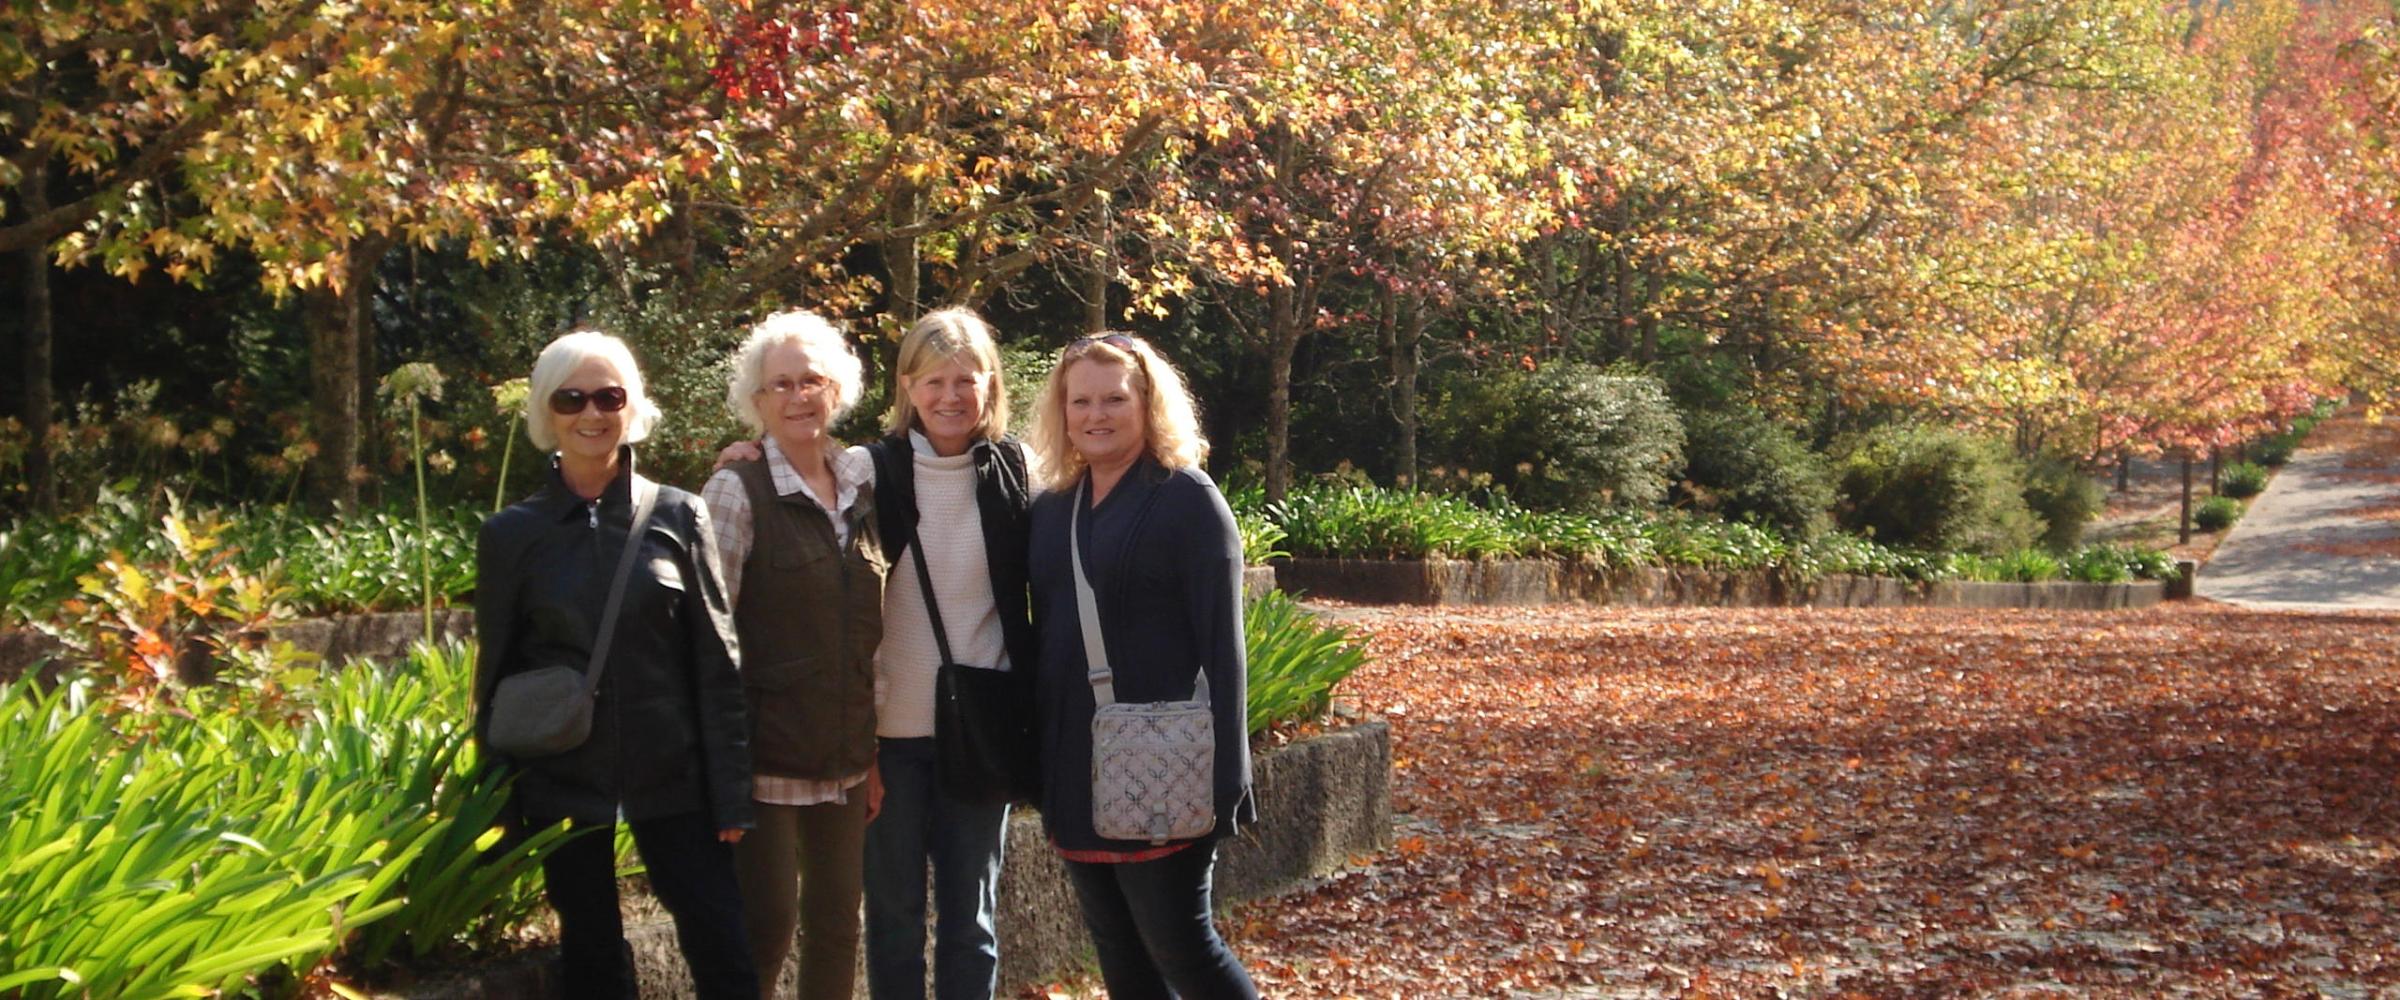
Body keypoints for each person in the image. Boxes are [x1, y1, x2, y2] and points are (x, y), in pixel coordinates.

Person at [473, 329, 757, 1000]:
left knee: (721, 944)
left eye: (609, 396)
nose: (592, 414)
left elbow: (718, 661)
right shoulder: (511, 535)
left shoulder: (679, 515)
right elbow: (495, 674)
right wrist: (497, 798)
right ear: (547, 412)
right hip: (563, 777)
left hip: (676, 777)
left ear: (632, 407)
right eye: (571, 399)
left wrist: (731, 788)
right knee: (592, 955)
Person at [1023, 332, 1261, 1000]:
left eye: (1114, 399)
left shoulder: (1187, 499)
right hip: (1073, 761)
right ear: (1062, 412)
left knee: (1185, 949)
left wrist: (1229, 770)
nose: (1096, 415)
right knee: (1121, 961)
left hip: (1164, 760)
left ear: (1147, 403)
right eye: (1080, 401)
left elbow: (1224, 643)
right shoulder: (1051, 508)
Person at [701, 309, 887, 1000]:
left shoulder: (862, 486)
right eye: (781, 384)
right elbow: (704, 634)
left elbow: (867, 632)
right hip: (761, 758)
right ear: (757, 402)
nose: (799, 396)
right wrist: (717, 765)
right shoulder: (734, 490)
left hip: (842, 755)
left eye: (812, 380)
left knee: (839, 925)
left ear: (836, 390)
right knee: (765, 926)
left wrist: (869, 751)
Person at [859, 308, 1037, 1000]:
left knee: (973, 919)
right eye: (934, 380)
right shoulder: (867, 471)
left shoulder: (1018, 471)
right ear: (907, 386)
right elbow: (787, 480)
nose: (951, 397)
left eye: (966, 380)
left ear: (991, 386)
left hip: (980, 734)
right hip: (889, 741)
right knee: (894, 919)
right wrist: (745, 454)